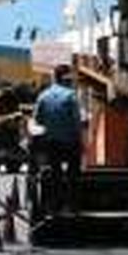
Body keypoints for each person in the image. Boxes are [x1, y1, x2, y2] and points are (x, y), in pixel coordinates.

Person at [33, 64, 82, 213]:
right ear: (66, 78)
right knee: (73, 174)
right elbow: (76, 121)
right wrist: (80, 141)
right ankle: (72, 205)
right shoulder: (71, 96)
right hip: (69, 143)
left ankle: (55, 205)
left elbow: (37, 121)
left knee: (55, 174)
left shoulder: (43, 96)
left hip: (51, 143)